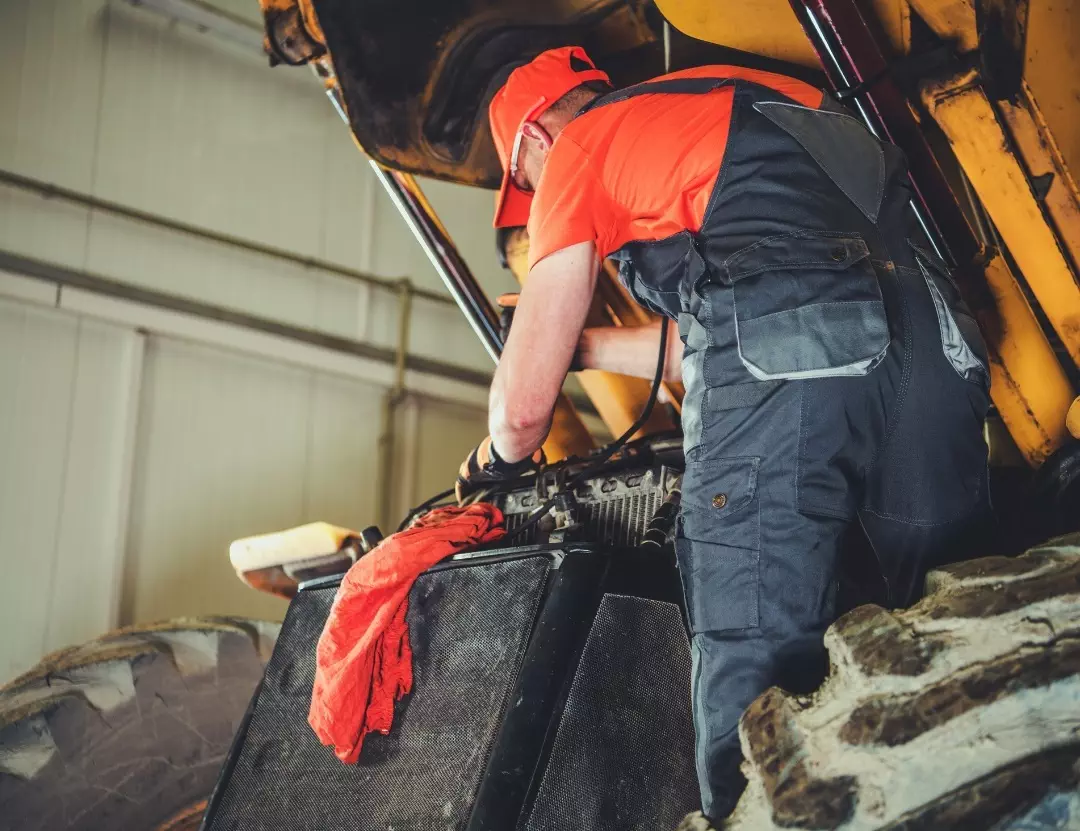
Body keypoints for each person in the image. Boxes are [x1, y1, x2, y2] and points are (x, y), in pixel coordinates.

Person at [455, 45, 992, 820]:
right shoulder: (760, 100)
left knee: (755, 664)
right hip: (937, 352)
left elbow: (520, 412)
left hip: (797, 361)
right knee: (947, 627)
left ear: (533, 139)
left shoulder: (578, 146)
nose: (537, 197)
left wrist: (491, 462)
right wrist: (593, 348)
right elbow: (750, 310)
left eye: (527, 187)